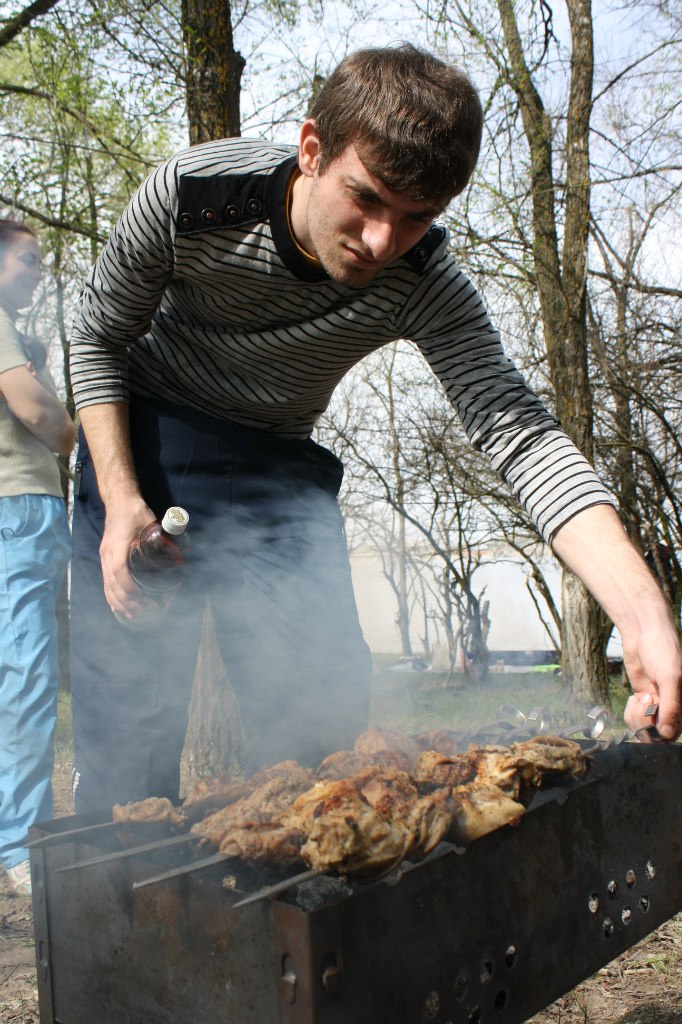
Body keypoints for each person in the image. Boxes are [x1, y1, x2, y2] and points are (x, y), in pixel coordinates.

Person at [68, 44, 682, 814]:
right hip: (149, 442)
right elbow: (94, 337)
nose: (383, 242)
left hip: (280, 465)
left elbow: (520, 434)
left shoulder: (424, 279)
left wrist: (642, 614)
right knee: (128, 735)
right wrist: (120, 502)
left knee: (322, 740)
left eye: (417, 216)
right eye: (366, 198)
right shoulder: (193, 197)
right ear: (312, 149)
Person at [0, 220, 75, 895]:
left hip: (20, 512)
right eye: (27, 259)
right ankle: (21, 844)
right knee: (26, 680)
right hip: (17, 510)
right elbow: (34, 411)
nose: (36, 271)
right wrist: (78, 432)